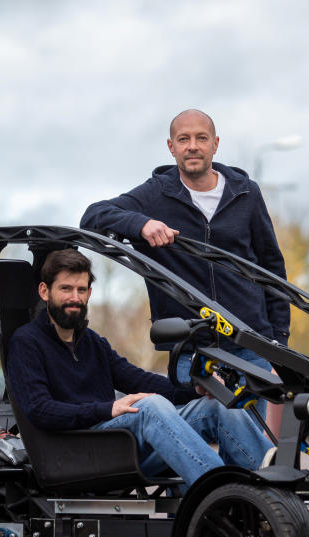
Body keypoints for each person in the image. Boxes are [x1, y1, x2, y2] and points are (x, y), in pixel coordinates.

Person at [6, 249, 273, 537]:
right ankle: (228, 501)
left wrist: (191, 389)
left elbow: (136, 376)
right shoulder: (27, 342)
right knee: (147, 406)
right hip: (74, 449)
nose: (75, 298)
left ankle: (271, 495)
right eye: (66, 289)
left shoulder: (93, 343)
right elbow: (40, 411)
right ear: (45, 292)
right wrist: (109, 408)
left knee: (216, 407)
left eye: (82, 290)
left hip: (115, 444)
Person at [80, 108, 289, 433]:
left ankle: (248, 487)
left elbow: (272, 269)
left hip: (250, 345)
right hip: (191, 350)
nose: (193, 146)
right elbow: (94, 216)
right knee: (191, 440)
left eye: (201, 138)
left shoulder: (246, 193)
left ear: (215, 144)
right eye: (184, 139)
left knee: (247, 439)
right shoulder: (155, 194)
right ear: (171, 147)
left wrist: (278, 342)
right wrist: (141, 223)